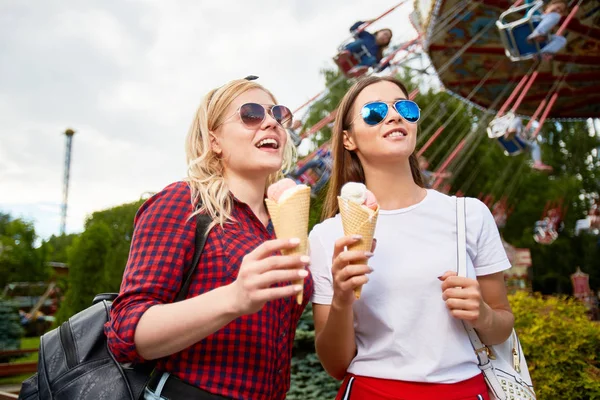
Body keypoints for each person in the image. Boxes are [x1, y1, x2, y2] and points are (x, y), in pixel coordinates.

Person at [105, 77, 314, 400]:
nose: (271, 122)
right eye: (251, 114)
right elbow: (125, 333)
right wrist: (233, 298)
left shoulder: (283, 223)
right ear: (214, 139)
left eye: (278, 114)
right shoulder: (184, 202)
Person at [309, 76, 514, 399]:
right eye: (374, 112)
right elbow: (336, 364)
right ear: (348, 139)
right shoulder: (327, 236)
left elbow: (502, 327)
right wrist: (341, 299)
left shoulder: (469, 215)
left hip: (463, 391)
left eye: (404, 108)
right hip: (371, 391)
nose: (394, 116)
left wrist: (484, 315)